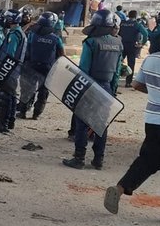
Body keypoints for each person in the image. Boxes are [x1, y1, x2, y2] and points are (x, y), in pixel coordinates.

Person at [103, 24, 160, 224]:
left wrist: (158, 95)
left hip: (153, 120)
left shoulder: (153, 58)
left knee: (148, 160)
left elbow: (136, 84)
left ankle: (119, 188)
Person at [63, 10, 123, 170]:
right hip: (107, 88)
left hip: (90, 86)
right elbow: (117, 71)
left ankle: (79, 158)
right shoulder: (118, 43)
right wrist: (113, 90)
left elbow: (83, 69)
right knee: (100, 125)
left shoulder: (90, 42)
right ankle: (98, 160)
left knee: (82, 124)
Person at [17, 12, 64, 120]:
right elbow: (62, 54)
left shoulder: (32, 35)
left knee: (27, 89)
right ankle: (36, 114)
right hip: (48, 68)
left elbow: (26, 50)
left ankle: (23, 112)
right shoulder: (56, 38)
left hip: (31, 66)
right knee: (43, 92)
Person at [0, 9, 27, 133]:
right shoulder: (20, 32)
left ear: (10, 20)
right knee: (11, 95)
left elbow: (10, 54)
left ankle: (2, 123)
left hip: (9, 69)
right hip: (15, 69)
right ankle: (10, 121)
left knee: (5, 95)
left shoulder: (14, 35)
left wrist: (2, 68)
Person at [118, 10, 148, 88]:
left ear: (128, 15)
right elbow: (145, 34)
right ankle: (128, 82)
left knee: (118, 62)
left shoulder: (122, 23)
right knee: (131, 64)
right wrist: (142, 43)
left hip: (121, 45)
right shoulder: (137, 24)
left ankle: (115, 79)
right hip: (132, 46)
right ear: (136, 16)